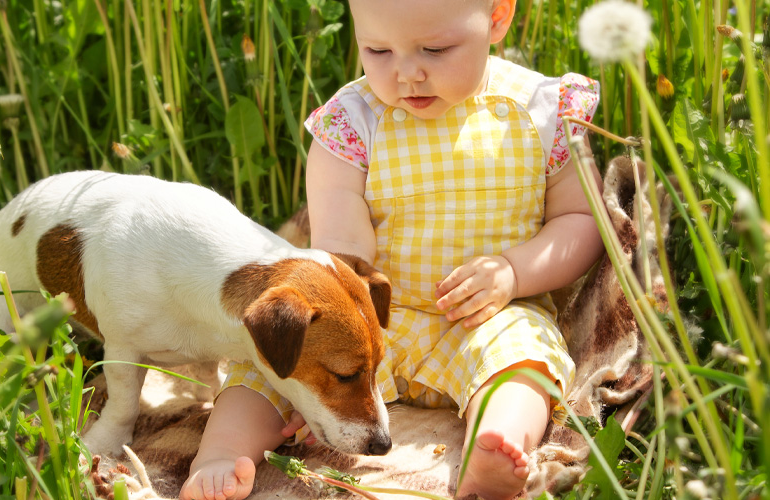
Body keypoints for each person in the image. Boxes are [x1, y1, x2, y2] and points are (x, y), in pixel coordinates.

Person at [180, 0, 604, 498]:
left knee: (522, 359)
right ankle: (221, 456)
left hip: (490, 313)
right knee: (272, 367)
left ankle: (498, 443)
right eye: (377, 50)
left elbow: (581, 221)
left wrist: (514, 271)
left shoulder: (543, 112)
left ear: (497, 17)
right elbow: (340, 252)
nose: (407, 74)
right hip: (373, 320)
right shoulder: (352, 124)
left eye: (435, 49)